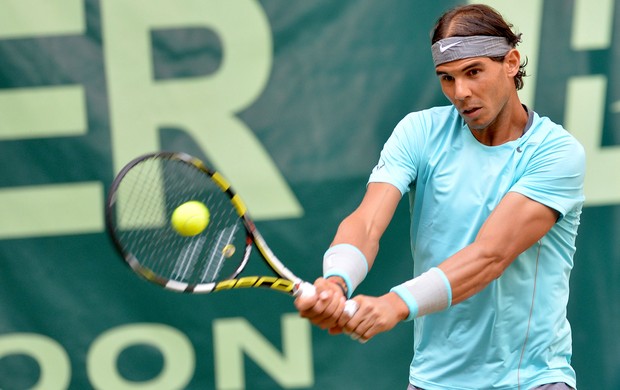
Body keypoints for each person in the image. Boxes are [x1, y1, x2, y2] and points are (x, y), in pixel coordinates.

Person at [295, 4, 585, 390]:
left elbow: (490, 256)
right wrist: (337, 281)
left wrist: (395, 305)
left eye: (473, 72)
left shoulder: (556, 153)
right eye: (446, 78)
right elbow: (366, 222)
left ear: (511, 63)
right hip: (434, 381)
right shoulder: (419, 132)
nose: (460, 93)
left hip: (531, 380)